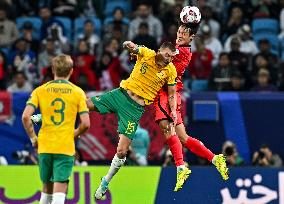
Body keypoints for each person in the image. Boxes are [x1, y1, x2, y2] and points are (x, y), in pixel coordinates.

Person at [86, 41, 190, 199]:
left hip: (134, 109)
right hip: (120, 95)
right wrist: (128, 45)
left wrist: (174, 110)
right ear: (160, 51)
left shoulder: (170, 70)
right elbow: (132, 46)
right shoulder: (147, 54)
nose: (169, 59)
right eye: (167, 55)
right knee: (85, 104)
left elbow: (170, 94)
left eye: (172, 56)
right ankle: (43, 117)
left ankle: (105, 181)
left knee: (122, 151)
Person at [154, 23, 229, 184]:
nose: (180, 35)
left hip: (166, 94)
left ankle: (181, 166)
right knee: (183, 137)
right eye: (179, 31)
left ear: (191, 38)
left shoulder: (179, 51)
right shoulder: (179, 49)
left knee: (166, 128)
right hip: (173, 93)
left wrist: (139, 51)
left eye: (184, 33)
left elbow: (156, 60)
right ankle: (215, 158)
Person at [22, 54, 90, 204]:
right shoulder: (78, 92)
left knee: (46, 189)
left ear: (53, 69)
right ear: (71, 71)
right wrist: (75, 133)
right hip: (64, 146)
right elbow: (86, 123)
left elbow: (26, 117)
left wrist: (34, 139)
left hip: (45, 146)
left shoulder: (40, 91)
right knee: (59, 191)